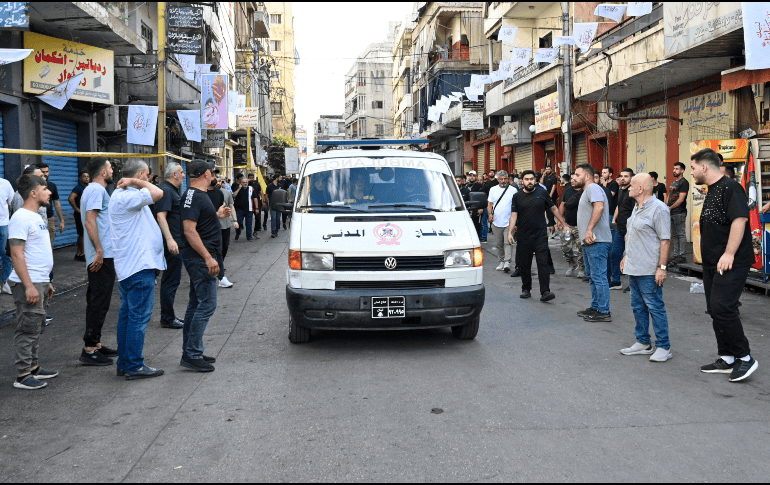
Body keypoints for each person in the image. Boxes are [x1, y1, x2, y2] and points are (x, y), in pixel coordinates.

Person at [690, 148, 758, 382]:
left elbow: (740, 220)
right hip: (712, 262)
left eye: (693, 167)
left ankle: (745, 357)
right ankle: (727, 357)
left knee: (722, 307)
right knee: (714, 309)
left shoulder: (731, 187)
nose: (692, 172)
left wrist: (729, 254)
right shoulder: (712, 190)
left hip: (731, 261)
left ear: (704, 167)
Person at [108, 159, 165, 380]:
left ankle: (125, 362)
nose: (150, 179)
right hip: (138, 268)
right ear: (141, 174)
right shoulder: (128, 196)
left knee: (128, 316)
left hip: (130, 267)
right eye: (148, 175)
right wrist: (134, 181)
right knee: (138, 319)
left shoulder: (122, 197)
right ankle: (133, 364)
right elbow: (158, 193)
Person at [8, 174, 56, 390]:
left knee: (36, 327)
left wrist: (46, 282)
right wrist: (28, 285)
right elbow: (16, 254)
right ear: (33, 192)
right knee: (27, 328)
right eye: (45, 188)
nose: (50, 192)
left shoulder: (36, 216)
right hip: (30, 282)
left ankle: (34, 367)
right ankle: (23, 374)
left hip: (40, 281)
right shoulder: (21, 217)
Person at [180, 160, 229, 372]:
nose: (214, 175)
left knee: (195, 304)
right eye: (212, 172)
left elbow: (199, 223)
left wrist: (216, 216)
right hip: (201, 258)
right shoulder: (195, 196)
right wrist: (209, 258)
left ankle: (191, 351)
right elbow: (189, 230)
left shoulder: (193, 195)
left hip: (199, 256)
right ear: (206, 173)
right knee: (207, 304)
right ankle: (192, 354)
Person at [619, 173, 672, 362]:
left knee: (655, 307)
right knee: (637, 307)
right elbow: (631, 235)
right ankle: (643, 343)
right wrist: (626, 256)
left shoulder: (659, 209)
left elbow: (665, 240)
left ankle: (664, 346)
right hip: (634, 267)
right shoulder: (637, 207)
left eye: (632, 185)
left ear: (640, 189)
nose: (628, 188)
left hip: (649, 270)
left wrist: (662, 268)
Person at [80, 158, 118, 366]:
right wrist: (99, 251)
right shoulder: (96, 190)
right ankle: (90, 348)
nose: (112, 171)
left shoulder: (96, 190)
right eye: (110, 168)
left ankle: (96, 344)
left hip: (104, 254)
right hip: (101, 256)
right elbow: (89, 220)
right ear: (103, 172)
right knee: (98, 302)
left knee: (100, 301)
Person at [507, 170, 566, 301]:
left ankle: (545, 291)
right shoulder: (517, 196)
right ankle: (526, 289)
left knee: (543, 263)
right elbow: (514, 215)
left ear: (535, 180)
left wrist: (563, 223)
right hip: (523, 236)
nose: (529, 181)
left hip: (540, 235)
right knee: (525, 264)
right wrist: (510, 231)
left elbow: (554, 208)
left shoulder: (542, 193)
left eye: (532, 179)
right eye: (527, 179)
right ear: (522, 181)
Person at [575, 163, 613, 322]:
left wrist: (589, 230)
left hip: (597, 240)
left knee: (599, 276)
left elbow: (599, 207)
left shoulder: (593, 188)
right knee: (592, 276)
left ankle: (604, 311)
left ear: (587, 176)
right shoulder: (587, 191)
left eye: (577, 175)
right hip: (590, 242)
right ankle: (596, 306)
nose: (574, 177)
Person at [155, 162, 186, 330]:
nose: (183, 175)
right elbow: (161, 216)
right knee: (170, 281)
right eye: (181, 172)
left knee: (172, 280)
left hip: (177, 241)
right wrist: (170, 239)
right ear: (174, 174)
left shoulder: (172, 191)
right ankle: (167, 318)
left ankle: (169, 315)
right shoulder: (166, 191)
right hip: (173, 244)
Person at [610, 168, 635, 290]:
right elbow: (619, 208)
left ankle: (633, 284)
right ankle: (616, 281)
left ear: (632, 178)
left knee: (631, 257)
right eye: (622, 176)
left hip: (630, 231)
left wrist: (630, 230)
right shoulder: (621, 191)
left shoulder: (633, 193)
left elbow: (636, 212)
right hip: (620, 229)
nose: (623, 178)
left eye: (626, 176)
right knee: (615, 254)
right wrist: (614, 220)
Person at [487, 170, 516, 272]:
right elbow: (489, 204)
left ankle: (507, 262)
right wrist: (490, 214)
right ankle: (501, 261)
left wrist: (516, 222)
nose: (503, 181)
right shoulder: (493, 190)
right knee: (499, 243)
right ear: (497, 179)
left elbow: (517, 207)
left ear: (508, 179)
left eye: (505, 179)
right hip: (496, 221)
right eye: (501, 179)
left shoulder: (513, 190)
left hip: (509, 222)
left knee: (508, 242)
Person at [213, 174, 237, 288]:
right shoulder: (208, 193)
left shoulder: (226, 193)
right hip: (215, 226)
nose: (218, 183)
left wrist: (235, 220)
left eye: (220, 181)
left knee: (225, 247)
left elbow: (232, 206)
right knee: (217, 249)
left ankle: (219, 265)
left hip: (226, 224)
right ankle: (219, 274)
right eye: (216, 181)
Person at [560, 172, 584, 278]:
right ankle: (571, 264)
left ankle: (582, 268)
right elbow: (562, 204)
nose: (573, 182)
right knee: (565, 247)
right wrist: (560, 221)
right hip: (568, 225)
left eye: (575, 180)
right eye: (572, 180)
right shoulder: (568, 189)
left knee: (581, 249)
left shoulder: (585, 191)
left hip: (581, 226)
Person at [665, 161, 689, 265]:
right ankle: (675, 255)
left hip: (679, 212)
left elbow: (681, 199)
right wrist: (665, 207)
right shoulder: (673, 183)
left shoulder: (684, 182)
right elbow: (669, 197)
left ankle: (682, 256)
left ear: (682, 171)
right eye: (674, 168)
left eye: (677, 169)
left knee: (681, 234)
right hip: (671, 212)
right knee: (675, 235)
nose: (674, 170)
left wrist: (670, 208)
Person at [36, 163, 65, 247]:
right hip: (37, 217)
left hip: (49, 218)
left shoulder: (52, 186)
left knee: (50, 241)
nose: (45, 174)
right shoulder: (33, 186)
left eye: (47, 172)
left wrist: (62, 220)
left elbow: (57, 203)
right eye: (43, 172)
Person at [68, 170, 90, 262]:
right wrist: (77, 209)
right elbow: (71, 198)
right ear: (80, 178)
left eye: (88, 176)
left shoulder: (89, 187)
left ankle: (79, 253)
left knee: (84, 234)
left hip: (88, 214)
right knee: (82, 234)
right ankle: (83, 254)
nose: (86, 178)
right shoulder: (78, 188)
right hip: (80, 214)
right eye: (84, 176)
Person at [0, 172, 15, 295]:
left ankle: (4, 282)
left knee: (7, 254)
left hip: (3, 224)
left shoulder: (5, 183)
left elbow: (11, 202)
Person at [233, 174, 257, 241]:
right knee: (238, 223)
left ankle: (249, 237)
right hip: (239, 209)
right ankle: (238, 233)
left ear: (248, 183)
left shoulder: (251, 189)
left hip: (249, 209)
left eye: (246, 182)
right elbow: (233, 196)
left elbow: (255, 198)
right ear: (241, 183)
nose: (245, 183)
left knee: (249, 224)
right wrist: (239, 188)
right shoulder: (237, 188)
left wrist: (256, 208)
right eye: (243, 182)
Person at [466, 171, 484, 241]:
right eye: (470, 175)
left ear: (476, 177)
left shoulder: (479, 185)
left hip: (476, 208)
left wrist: (481, 207)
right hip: (468, 208)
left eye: (473, 175)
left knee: (476, 225)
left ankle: (477, 240)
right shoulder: (466, 186)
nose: (472, 177)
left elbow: (481, 197)